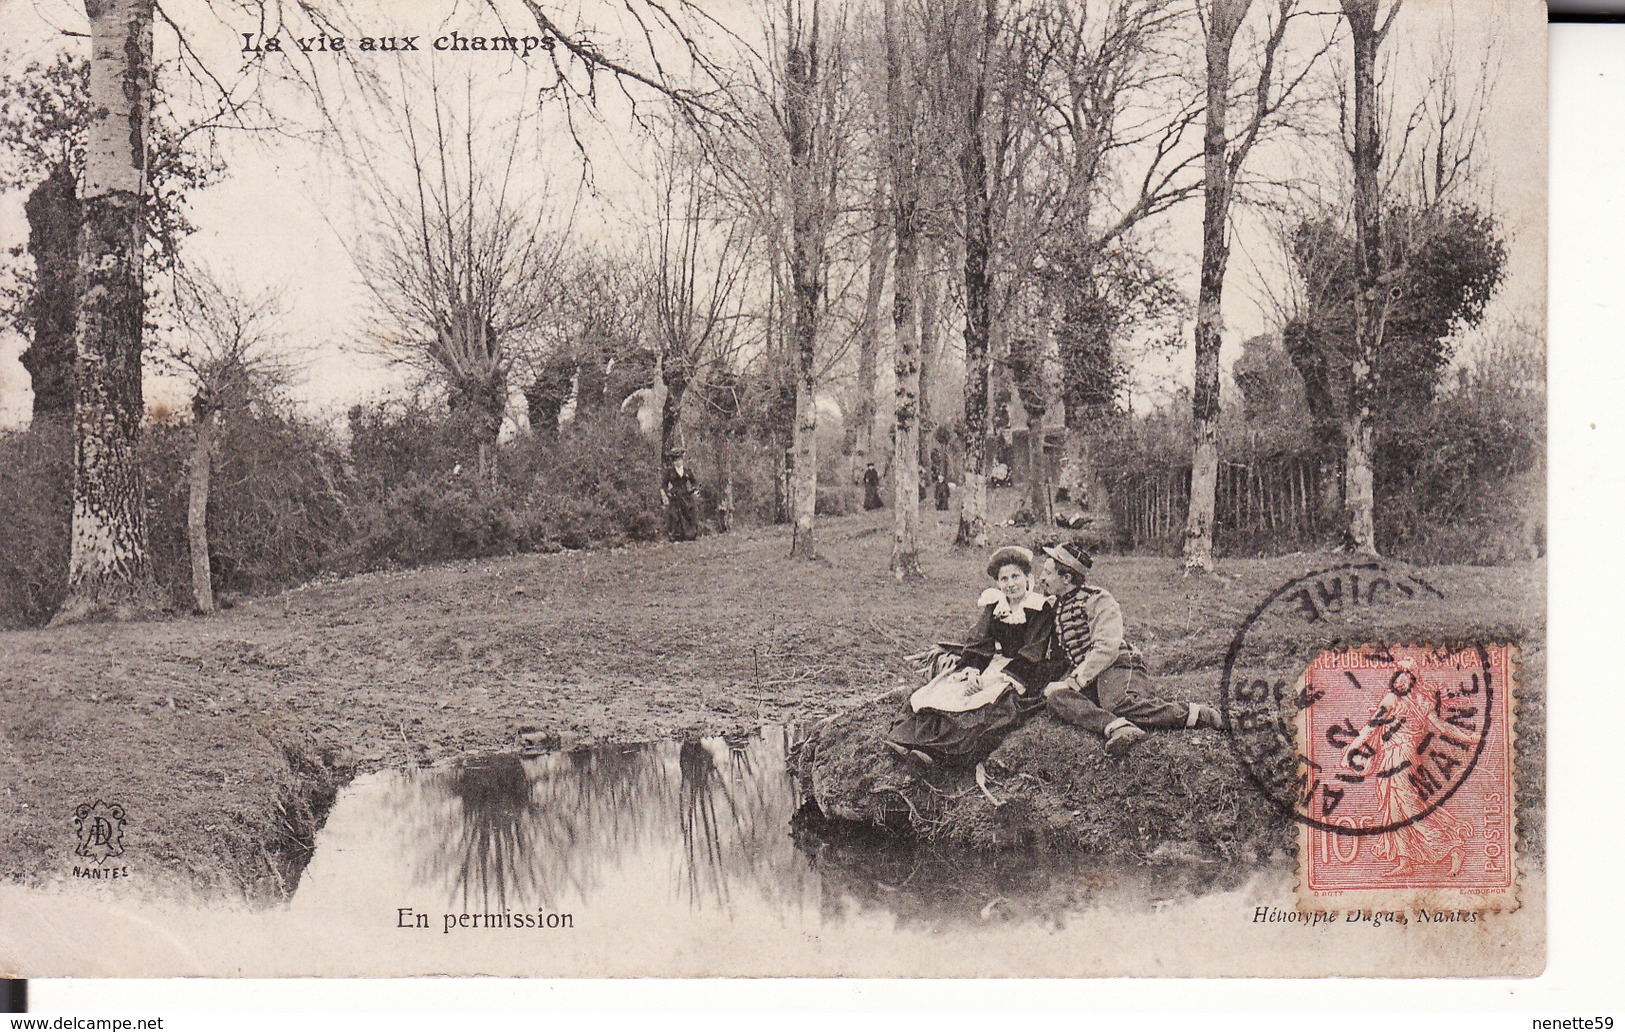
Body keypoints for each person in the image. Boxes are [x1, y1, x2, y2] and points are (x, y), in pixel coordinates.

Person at [1037, 540, 1224, 757]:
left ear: (1066, 578)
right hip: (1089, 675)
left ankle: (1196, 714)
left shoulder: (1098, 600)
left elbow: (1107, 648)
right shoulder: (1055, 604)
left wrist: (1073, 681)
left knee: (1117, 703)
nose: (1041, 578)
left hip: (1118, 664)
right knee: (1056, 697)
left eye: (1048, 572)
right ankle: (1119, 728)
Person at [884, 546, 1054, 766]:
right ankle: (910, 744)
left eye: (1015, 576)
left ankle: (938, 756)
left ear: (1028, 577)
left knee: (985, 702)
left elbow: (1034, 650)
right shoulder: (995, 605)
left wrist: (992, 679)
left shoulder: (1038, 607)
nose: (1010, 584)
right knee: (946, 690)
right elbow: (979, 641)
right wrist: (973, 669)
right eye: (1004, 579)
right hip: (993, 663)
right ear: (998, 583)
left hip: (1020, 669)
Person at [1340, 657, 1475, 877]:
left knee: (1411, 811)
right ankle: (1405, 861)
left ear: (1412, 678)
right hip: (1390, 759)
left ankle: (1453, 847)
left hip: (1403, 758)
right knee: (1394, 811)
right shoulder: (1397, 700)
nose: (1399, 677)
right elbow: (1371, 728)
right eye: (1398, 672)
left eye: (1404, 673)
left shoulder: (1407, 701)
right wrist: (1350, 750)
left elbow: (1442, 727)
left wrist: (1470, 738)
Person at [661, 449, 700, 541]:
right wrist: (667, 494)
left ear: (682, 460)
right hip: (675, 496)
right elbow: (664, 485)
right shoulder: (669, 472)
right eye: (675, 461)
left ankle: (690, 535)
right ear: (673, 462)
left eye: (679, 460)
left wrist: (694, 490)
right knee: (675, 516)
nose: (677, 462)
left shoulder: (687, 471)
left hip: (686, 495)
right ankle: (676, 536)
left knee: (689, 514)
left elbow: (694, 482)